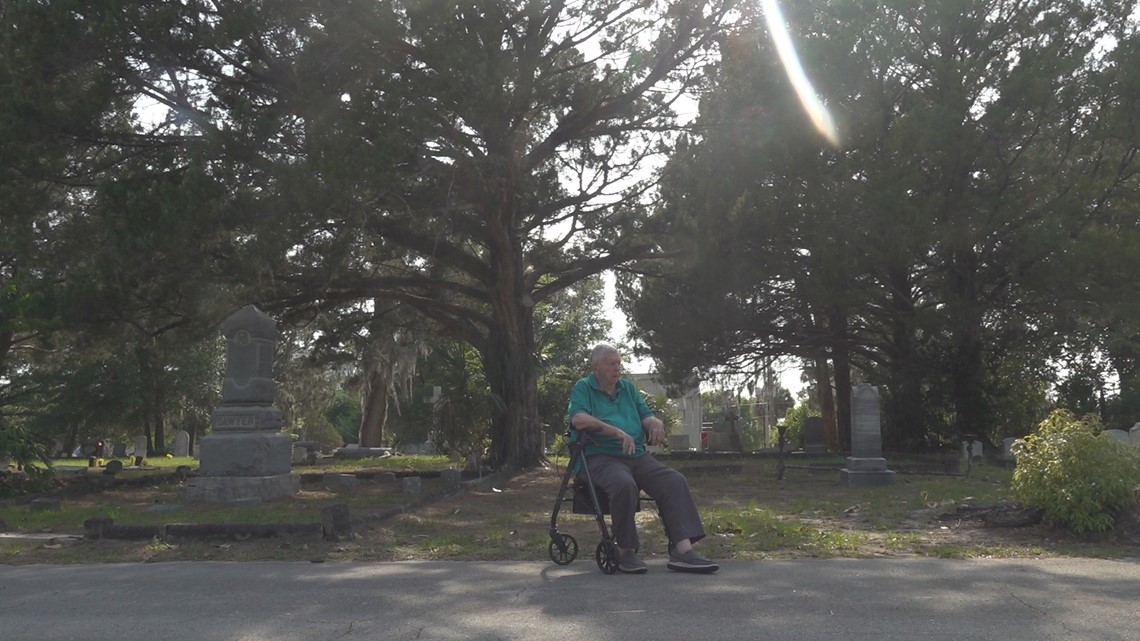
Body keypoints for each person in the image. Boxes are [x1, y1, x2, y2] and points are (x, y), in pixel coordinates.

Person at [567, 343, 718, 574]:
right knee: (623, 483)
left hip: (636, 456)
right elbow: (578, 419)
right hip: (600, 457)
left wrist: (655, 422)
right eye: (611, 364)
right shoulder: (584, 387)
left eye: (619, 363)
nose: (617, 368)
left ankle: (682, 551)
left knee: (673, 481)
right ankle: (626, 551)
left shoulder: (627, 388)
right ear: (596, 367)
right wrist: (615, 431)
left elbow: (646, 417)